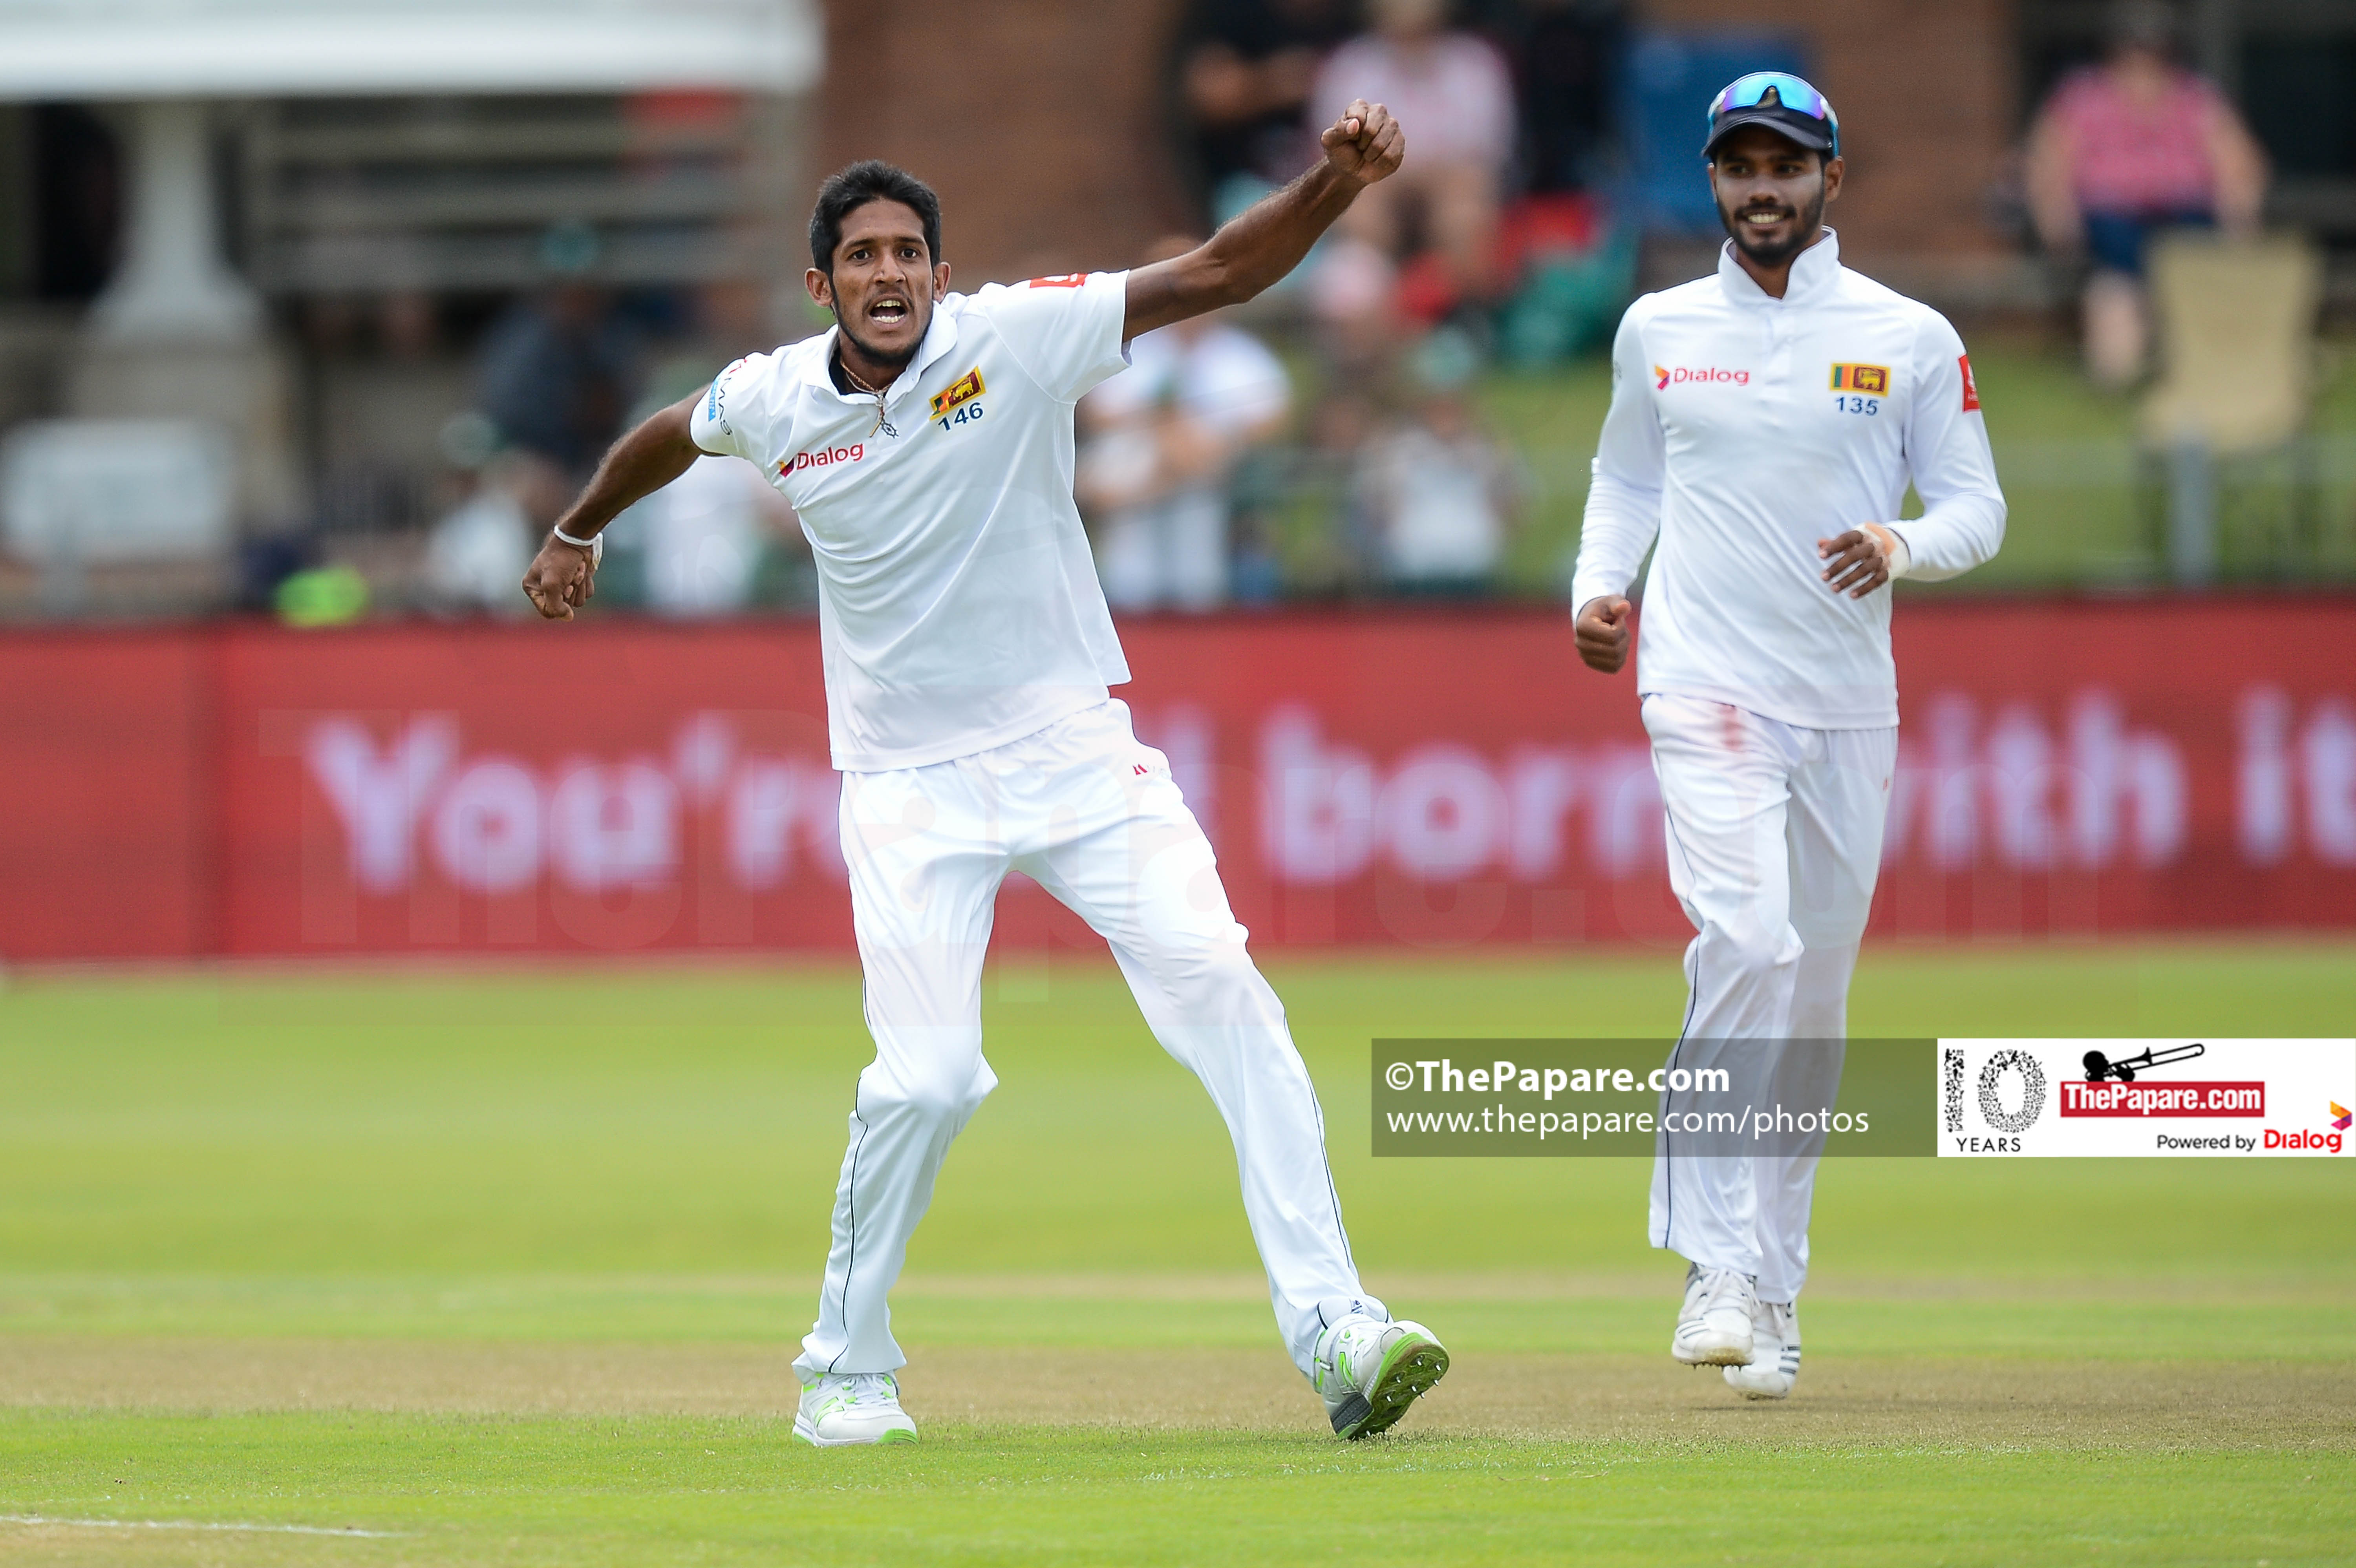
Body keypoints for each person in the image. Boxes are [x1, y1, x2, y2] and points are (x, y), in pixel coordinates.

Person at [519, 110, 1451, 1447]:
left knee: (1224, 988)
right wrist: (576, 529)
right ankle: (843, 1370)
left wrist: (1334, 183)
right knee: (931, 1081)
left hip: (1075, 747)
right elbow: (672, 431)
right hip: (908, 787)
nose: (889, 273)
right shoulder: (773, 397)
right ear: (822, 284)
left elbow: (1219, 274)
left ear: (940, 275)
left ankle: (1338, 1328)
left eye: (910, 253)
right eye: (863, 256)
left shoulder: (1015, 336)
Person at [1568, 74, 2005, 1400]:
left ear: (1831, 177)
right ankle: (1713, 1261)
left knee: (1812, 1003)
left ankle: (1774, 1283)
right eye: (1741, 167)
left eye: (1787, 166)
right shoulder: (1658, 326)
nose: (1763, 189)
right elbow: (1626, 474)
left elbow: (1978, 507)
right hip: (1704, 683)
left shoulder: (1909, 335)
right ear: (1713, 180)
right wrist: (1599, 586)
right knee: (1747, 942)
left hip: (1845, 699)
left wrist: (1901, 543)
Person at [2024, 0, 2268, 388]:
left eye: (2152, 47)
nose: (2142, 59)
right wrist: (2057, 221)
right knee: (2119, 282)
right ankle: (2121, 370)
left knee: (2194, 265)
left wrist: (2241, 216)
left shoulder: (2195, 96)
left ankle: (2203, 367)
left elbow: (2237, 159)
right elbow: (2050, 162)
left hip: (2185, 213)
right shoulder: (2083, 97)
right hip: (2113, 217)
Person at [1078, 237, 1293, 611]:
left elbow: (1272, 422)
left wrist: (1184, 449)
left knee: (1199, 478)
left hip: (1212, 481)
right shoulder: (1130, 349)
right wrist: (1164, 432)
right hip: (1136, 484)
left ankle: (1199, 604)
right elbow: (1098, 416)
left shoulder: (1240, 355)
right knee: (1128, 465)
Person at [1313, 0, 1515, 302]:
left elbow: (1486, 155)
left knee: (1464, 210)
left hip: (1449, 185)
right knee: (1359, 207)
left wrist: (1417, 173)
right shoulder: (1350, 67)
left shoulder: (1475, 63)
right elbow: (1333, 155)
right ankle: (1376, 305)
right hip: (1376, 183)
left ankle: (1463, 310)